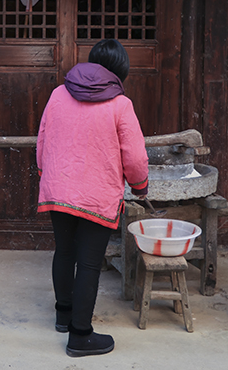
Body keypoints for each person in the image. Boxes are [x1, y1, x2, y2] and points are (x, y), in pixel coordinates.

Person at [36, 38, 149, 357]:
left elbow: (41, 141)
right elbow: (136, 157)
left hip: (58, 189)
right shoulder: (120, 104)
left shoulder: (59, 93)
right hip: (97, 194)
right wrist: (140, 187)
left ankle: (63, 315)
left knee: (64, 252)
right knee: (88, 263)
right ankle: (80, 335)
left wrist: (48, 174)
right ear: (121, 71)